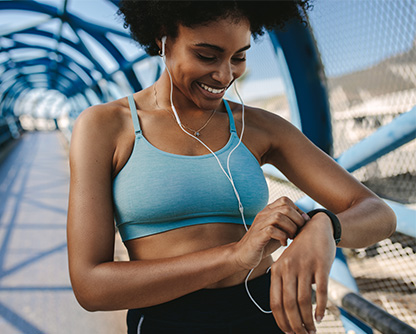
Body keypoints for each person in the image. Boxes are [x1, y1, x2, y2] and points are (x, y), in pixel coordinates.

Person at [66, 1, 396, 333]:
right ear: (162, 38)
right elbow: (91, 286)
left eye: (238, 57)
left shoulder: (259, 127)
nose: (225, 75)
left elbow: (378, 213)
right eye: (206, 56)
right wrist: (235, 256)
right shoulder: (106, 126)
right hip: (165, 321)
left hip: (266, 315)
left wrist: (324, 226)